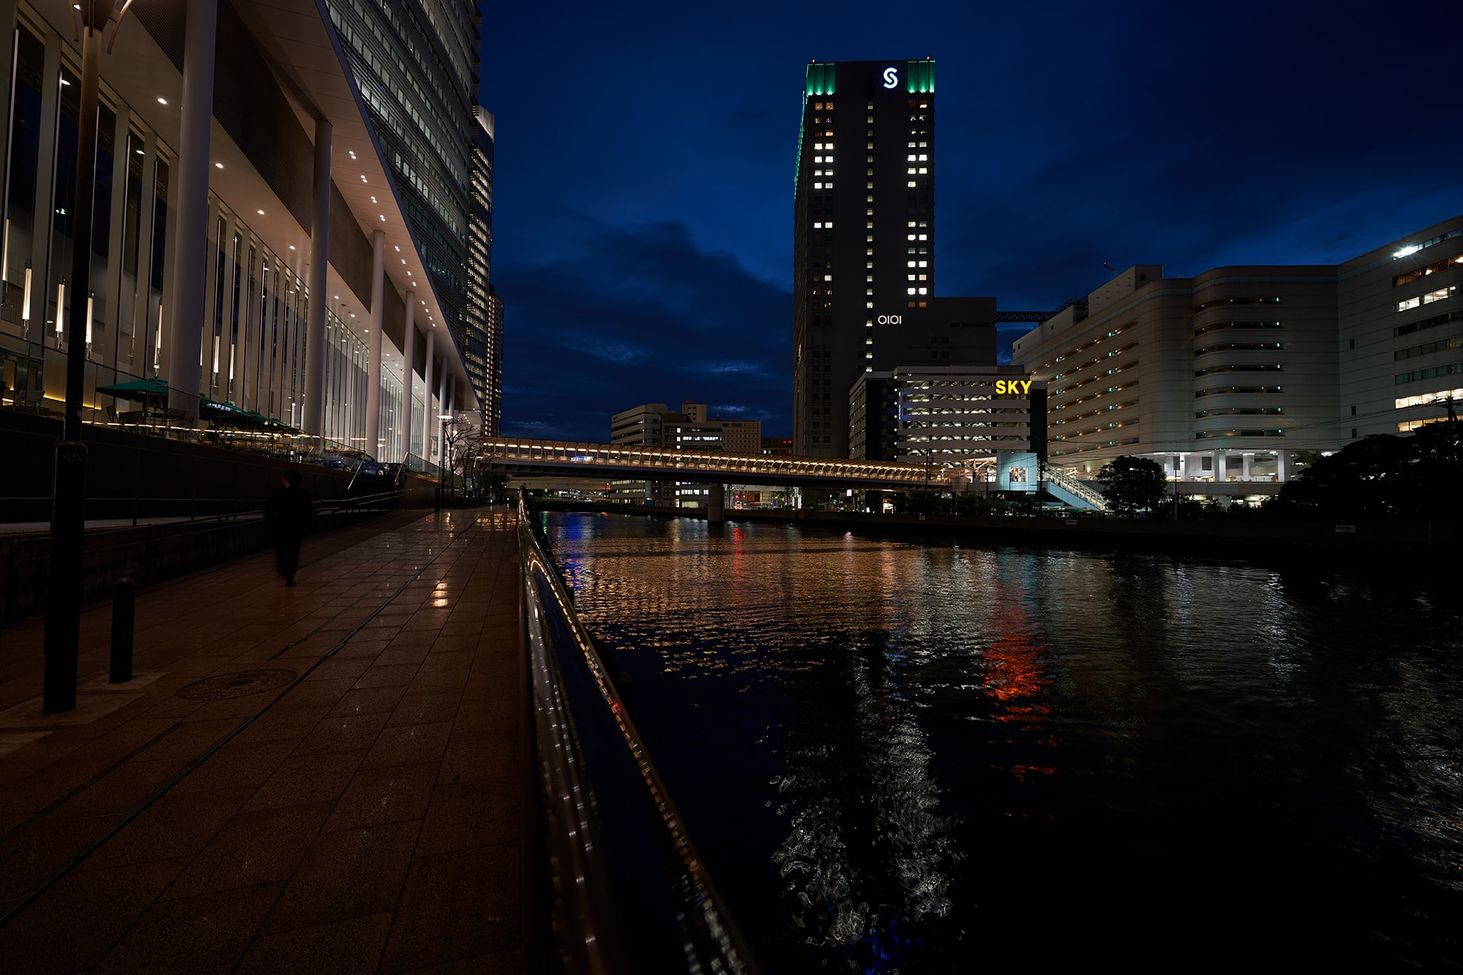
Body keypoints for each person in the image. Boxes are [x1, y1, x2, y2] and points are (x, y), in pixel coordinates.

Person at [266, 470, 312, 586]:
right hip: (295, 529)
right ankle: (289, 577)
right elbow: (308, 513)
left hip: (279, 528)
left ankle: (281, 569)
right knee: (293, 553)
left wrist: (271, 525)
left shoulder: (276, 493)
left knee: (280, 551)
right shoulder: (303, 494)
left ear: (285, 479)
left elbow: (268, 511)